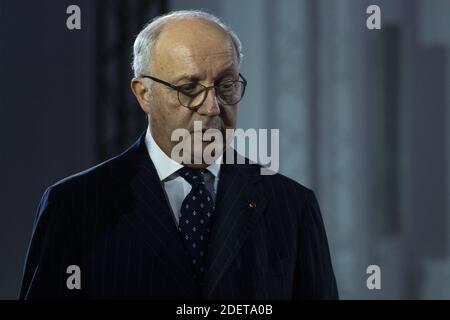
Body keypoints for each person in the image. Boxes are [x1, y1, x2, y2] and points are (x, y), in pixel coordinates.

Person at [19, 10, 338, 299]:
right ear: (144, 94)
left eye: (226, 85)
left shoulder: (292, 207)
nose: (213, 107)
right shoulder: (75, 207)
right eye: (189, 88)